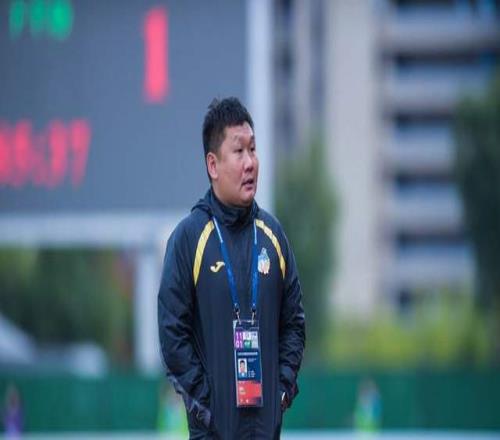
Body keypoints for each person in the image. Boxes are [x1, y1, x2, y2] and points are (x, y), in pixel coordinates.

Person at [158, 97, 305, 439]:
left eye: (253, 149)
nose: (250, 162)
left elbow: (294, 324)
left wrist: (281, 391)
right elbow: (172, 333)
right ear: (213, 165)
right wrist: (207, 406)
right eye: (239, 151)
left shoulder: (273, 236)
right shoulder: (189, 238)